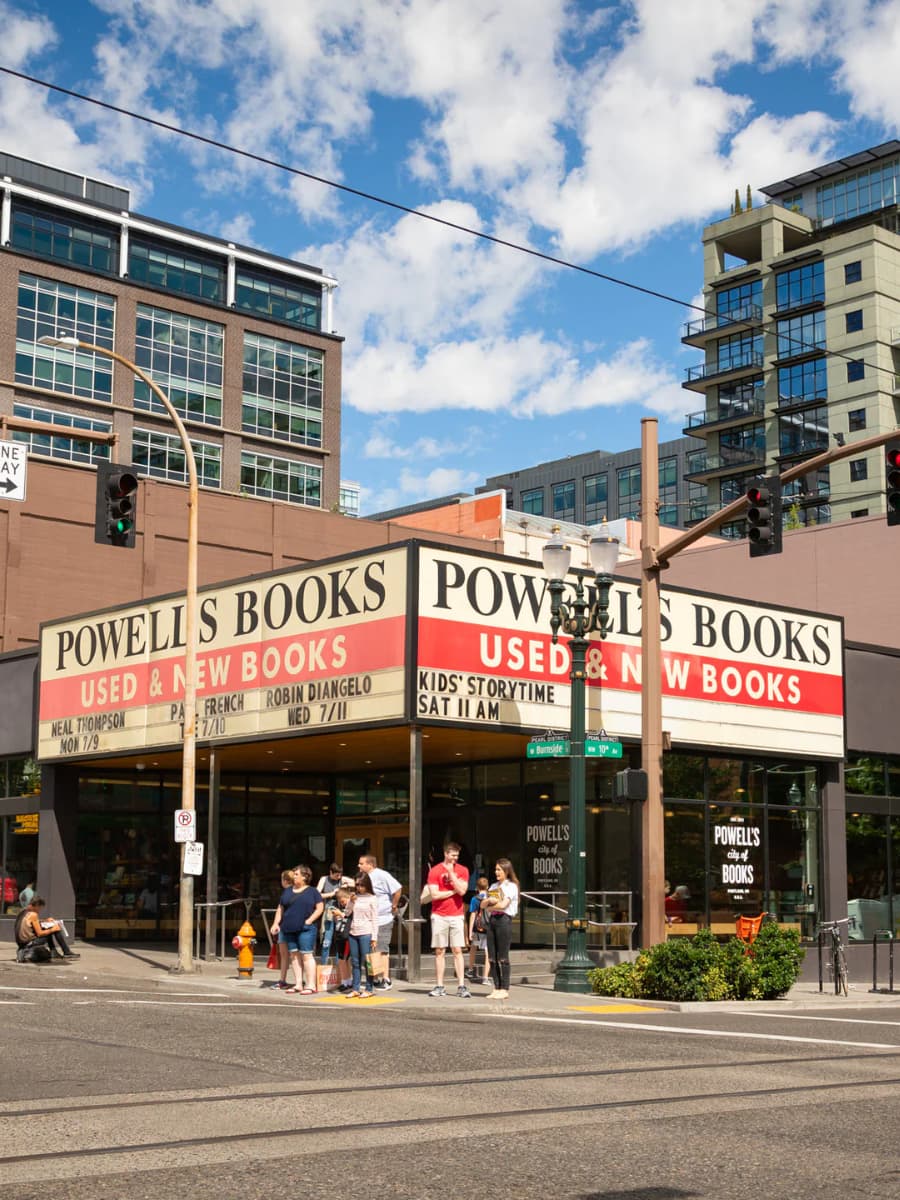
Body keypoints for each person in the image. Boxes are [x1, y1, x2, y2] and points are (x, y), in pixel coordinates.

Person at [423, 841, 471, 999]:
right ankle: (439, 985)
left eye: (457, 855)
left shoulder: (462, 870)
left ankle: (461, 985)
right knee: (440, 950)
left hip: (456, 914)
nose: (455, 858)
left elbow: (463, 891)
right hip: (439, 914)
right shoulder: (435, 871)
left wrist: (451, 874)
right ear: (445, 854)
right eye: (452, 855)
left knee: (458, 950)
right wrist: (452, 891)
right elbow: (435, 895)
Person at [270, 865, 323, 995]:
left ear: (305, 876)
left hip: (305, 928)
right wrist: (276, 923)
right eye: (294, 873)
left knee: (306, 955)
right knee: (294, 955)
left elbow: (320, 908)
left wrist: (309, 921)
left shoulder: (312, 891)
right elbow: (281, 908)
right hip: (289, 927)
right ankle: (298, 983)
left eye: (296, 874)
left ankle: (311, 984)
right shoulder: (287, 891)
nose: (294, 876)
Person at [357, 853, 402, 990]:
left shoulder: (382, 875)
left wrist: (394, 905)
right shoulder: (364, 878)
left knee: (382, 949)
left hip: (383, 918)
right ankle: (375, 977)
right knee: (372, 950)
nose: (359, 866)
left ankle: (385, 978)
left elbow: (397, 889)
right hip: (369, 920)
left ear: (370, 864)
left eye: (361, 863)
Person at [482, 858, 519, 999]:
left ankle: (505, 988)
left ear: (506, 871)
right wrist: (489, 903)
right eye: (496, 869)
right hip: (492, 922)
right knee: (492, 956)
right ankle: (496, 987)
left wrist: (491, 904)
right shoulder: (493, 886)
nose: (496, 872)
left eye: (499, 870)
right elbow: (483, 904)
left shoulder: (511, 886)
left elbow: (503, 905)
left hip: (504, 920)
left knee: (503, 956)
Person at [346, 872, 379, 997]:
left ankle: (369, 988)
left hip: (366, 932)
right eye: (357, 885)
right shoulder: (355, 897)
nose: (359, 888)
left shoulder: (372, 898)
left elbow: (375, 918)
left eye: (361, 885)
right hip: (353, 931)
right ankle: (356, 988)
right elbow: (347, 912)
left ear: (367, 885)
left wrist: (374, 937)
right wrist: (351, 901)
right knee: (355, 962)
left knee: (367, 962)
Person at [16, 897, 80, 960]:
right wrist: (53, 929)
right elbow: (40, 934)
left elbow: (30, 923)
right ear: (37, 906)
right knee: (55, 929)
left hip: (21, 942)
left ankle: (54, 952)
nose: (39, 911)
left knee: (49, 929)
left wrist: (45, 920)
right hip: (28, 942)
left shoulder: (23, 911)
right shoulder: (33, 914)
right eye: (40, 908)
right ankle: (66, 952)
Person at [316, 862, 354, 965]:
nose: (338, 877)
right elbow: (317, 894)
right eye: (336, 875)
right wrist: (332, 893)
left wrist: (347, 884)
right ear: (330, 872)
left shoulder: (342, 879)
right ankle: (324, 965)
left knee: (339, 941)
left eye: (340, 875)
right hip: (328, 912)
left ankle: (339, 967)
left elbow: (356, 883)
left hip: (341, 912)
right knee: (326, 941)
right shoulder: (324, 879)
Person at [325, 885, 354, 992]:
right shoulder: (340, 908)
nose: (342, 904)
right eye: (340, 902)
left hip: (347, 936)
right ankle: (344, 981)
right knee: (341, 960)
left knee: (345, 960)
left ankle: (348, 982)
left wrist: (341, 914)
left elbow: (350, 918)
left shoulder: (352, 908)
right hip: (339, 935)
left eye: (344, 901)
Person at [270, 869, 294, 990]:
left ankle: (283, 979)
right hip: (291, 925)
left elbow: (280, 909)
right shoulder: (296, 891)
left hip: (286, 926)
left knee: (285, 955)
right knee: (296, 955)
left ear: (285, 881)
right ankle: (298, 981)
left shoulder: (286, 893)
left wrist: (275, 923)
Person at [466, 875, 491, 985]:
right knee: (487, 952)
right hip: (488, 928)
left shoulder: (474, 899)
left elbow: (472, 915)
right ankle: (485, 977)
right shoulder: (491, 898)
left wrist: (470, 931)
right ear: (488, 887)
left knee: (474, 947)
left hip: (477, 929)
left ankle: (471, 970)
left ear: (477, 887)